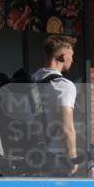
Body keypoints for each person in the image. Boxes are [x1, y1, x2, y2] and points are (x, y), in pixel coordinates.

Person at [32, 35, 79, 176]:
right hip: (54, 160)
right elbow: (67, 128)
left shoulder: (32, 79)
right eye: (72, 55)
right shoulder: (64, 86)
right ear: (63, 57)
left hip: (30, 156)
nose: (73, 59)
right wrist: (73, 159)